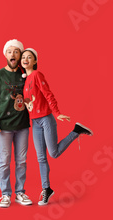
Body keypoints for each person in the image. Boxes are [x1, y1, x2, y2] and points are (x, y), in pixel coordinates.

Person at [20, 47, 93, 205]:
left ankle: (76, 131)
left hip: (46, 118)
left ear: (35, 61)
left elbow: (48, 93)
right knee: (41, 158)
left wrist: (57, 112)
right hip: (35, 122)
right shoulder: (24, 80)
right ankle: (46, 189)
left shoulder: (37, 75)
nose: (25, 59)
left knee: (53, 153)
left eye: (29, 57)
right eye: (23, 57)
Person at [0, 39, 32, 208]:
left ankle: (20, 192)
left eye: (16, 52)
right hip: (3, 127)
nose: (13, 54)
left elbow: (34, 95)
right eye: (10, 51)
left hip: (23, 126)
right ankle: (5, 194)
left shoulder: (25, 75)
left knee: (22, 161)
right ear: (5, 54)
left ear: (20, 55)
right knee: (4, 160)